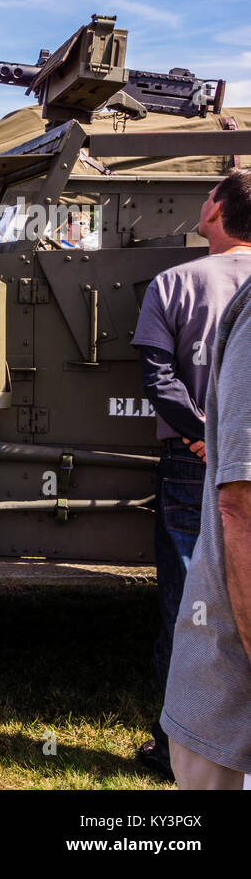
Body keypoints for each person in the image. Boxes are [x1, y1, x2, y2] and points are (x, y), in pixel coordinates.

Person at [133, 170, 251, 784]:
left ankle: (178, 736)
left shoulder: (175, 282)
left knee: (191, 598)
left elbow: (157, 375)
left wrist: (201, 433)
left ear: (215, 211)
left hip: (194, 456)